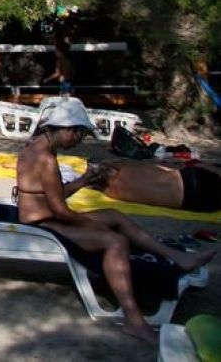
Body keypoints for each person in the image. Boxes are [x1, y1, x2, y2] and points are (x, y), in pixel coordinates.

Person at [14, 98, 215, 345]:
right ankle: (133, 319)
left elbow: (54, 195)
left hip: (47, 215)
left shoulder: (41, 147)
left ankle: (178, 257)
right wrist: (93, 227)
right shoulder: (45, 158)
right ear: (67, 129)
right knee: (115, 241)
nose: (80, 141)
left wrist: (86, 179)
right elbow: (60, 210)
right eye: (80, 134)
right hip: (42, 223)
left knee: (114, 216)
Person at [83, 158, 221, 213]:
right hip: (194, 181)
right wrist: (203, 166)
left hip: (196, 202)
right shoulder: (127, 168)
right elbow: (163, 168)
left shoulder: (111, 193)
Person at [42, 21, 75, 96]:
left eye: (56, 51)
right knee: (69, 98)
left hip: (64, 83)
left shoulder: (59, 61)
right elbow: (73, 71)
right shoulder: (68, 60)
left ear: (60, 52)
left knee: (64, 98)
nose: (55, 52)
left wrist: (47, 79)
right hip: (69, 82)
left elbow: (57, 73)